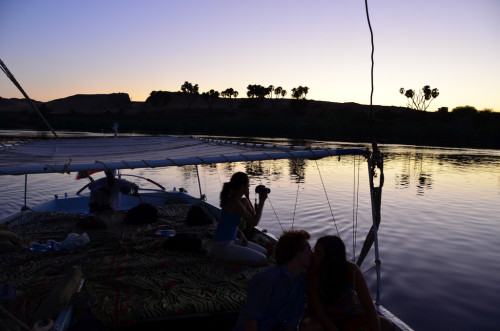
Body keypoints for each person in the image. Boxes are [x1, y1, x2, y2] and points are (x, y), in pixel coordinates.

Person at [300, 235, 394, 331]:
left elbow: (369, 307)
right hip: (323, 320)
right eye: (314, 251)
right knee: (307, 327)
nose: (312, 255)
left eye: (318, 253)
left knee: (386, 324)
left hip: (350, 317)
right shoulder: (311, 273)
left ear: (331, 258)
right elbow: (320, 313)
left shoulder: (351, 271)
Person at [233, 229, 313, 331]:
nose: (312, 253)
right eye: (309, 250)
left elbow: (292, 323)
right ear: (299, 253)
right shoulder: (267, 280)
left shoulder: (302, 282)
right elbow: (250, 321)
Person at [211, 172, 269, 266]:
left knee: (265, 252)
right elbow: (254, 222)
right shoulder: (234, 204)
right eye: (248, 184)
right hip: (223, 246)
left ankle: (225, 257)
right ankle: (222, 260)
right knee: (263, 260)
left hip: (232, 240)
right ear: (242, 186)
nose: (249, 186)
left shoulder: (240, 201)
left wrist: (240, 233)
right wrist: (262, 202)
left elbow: (252, 215)